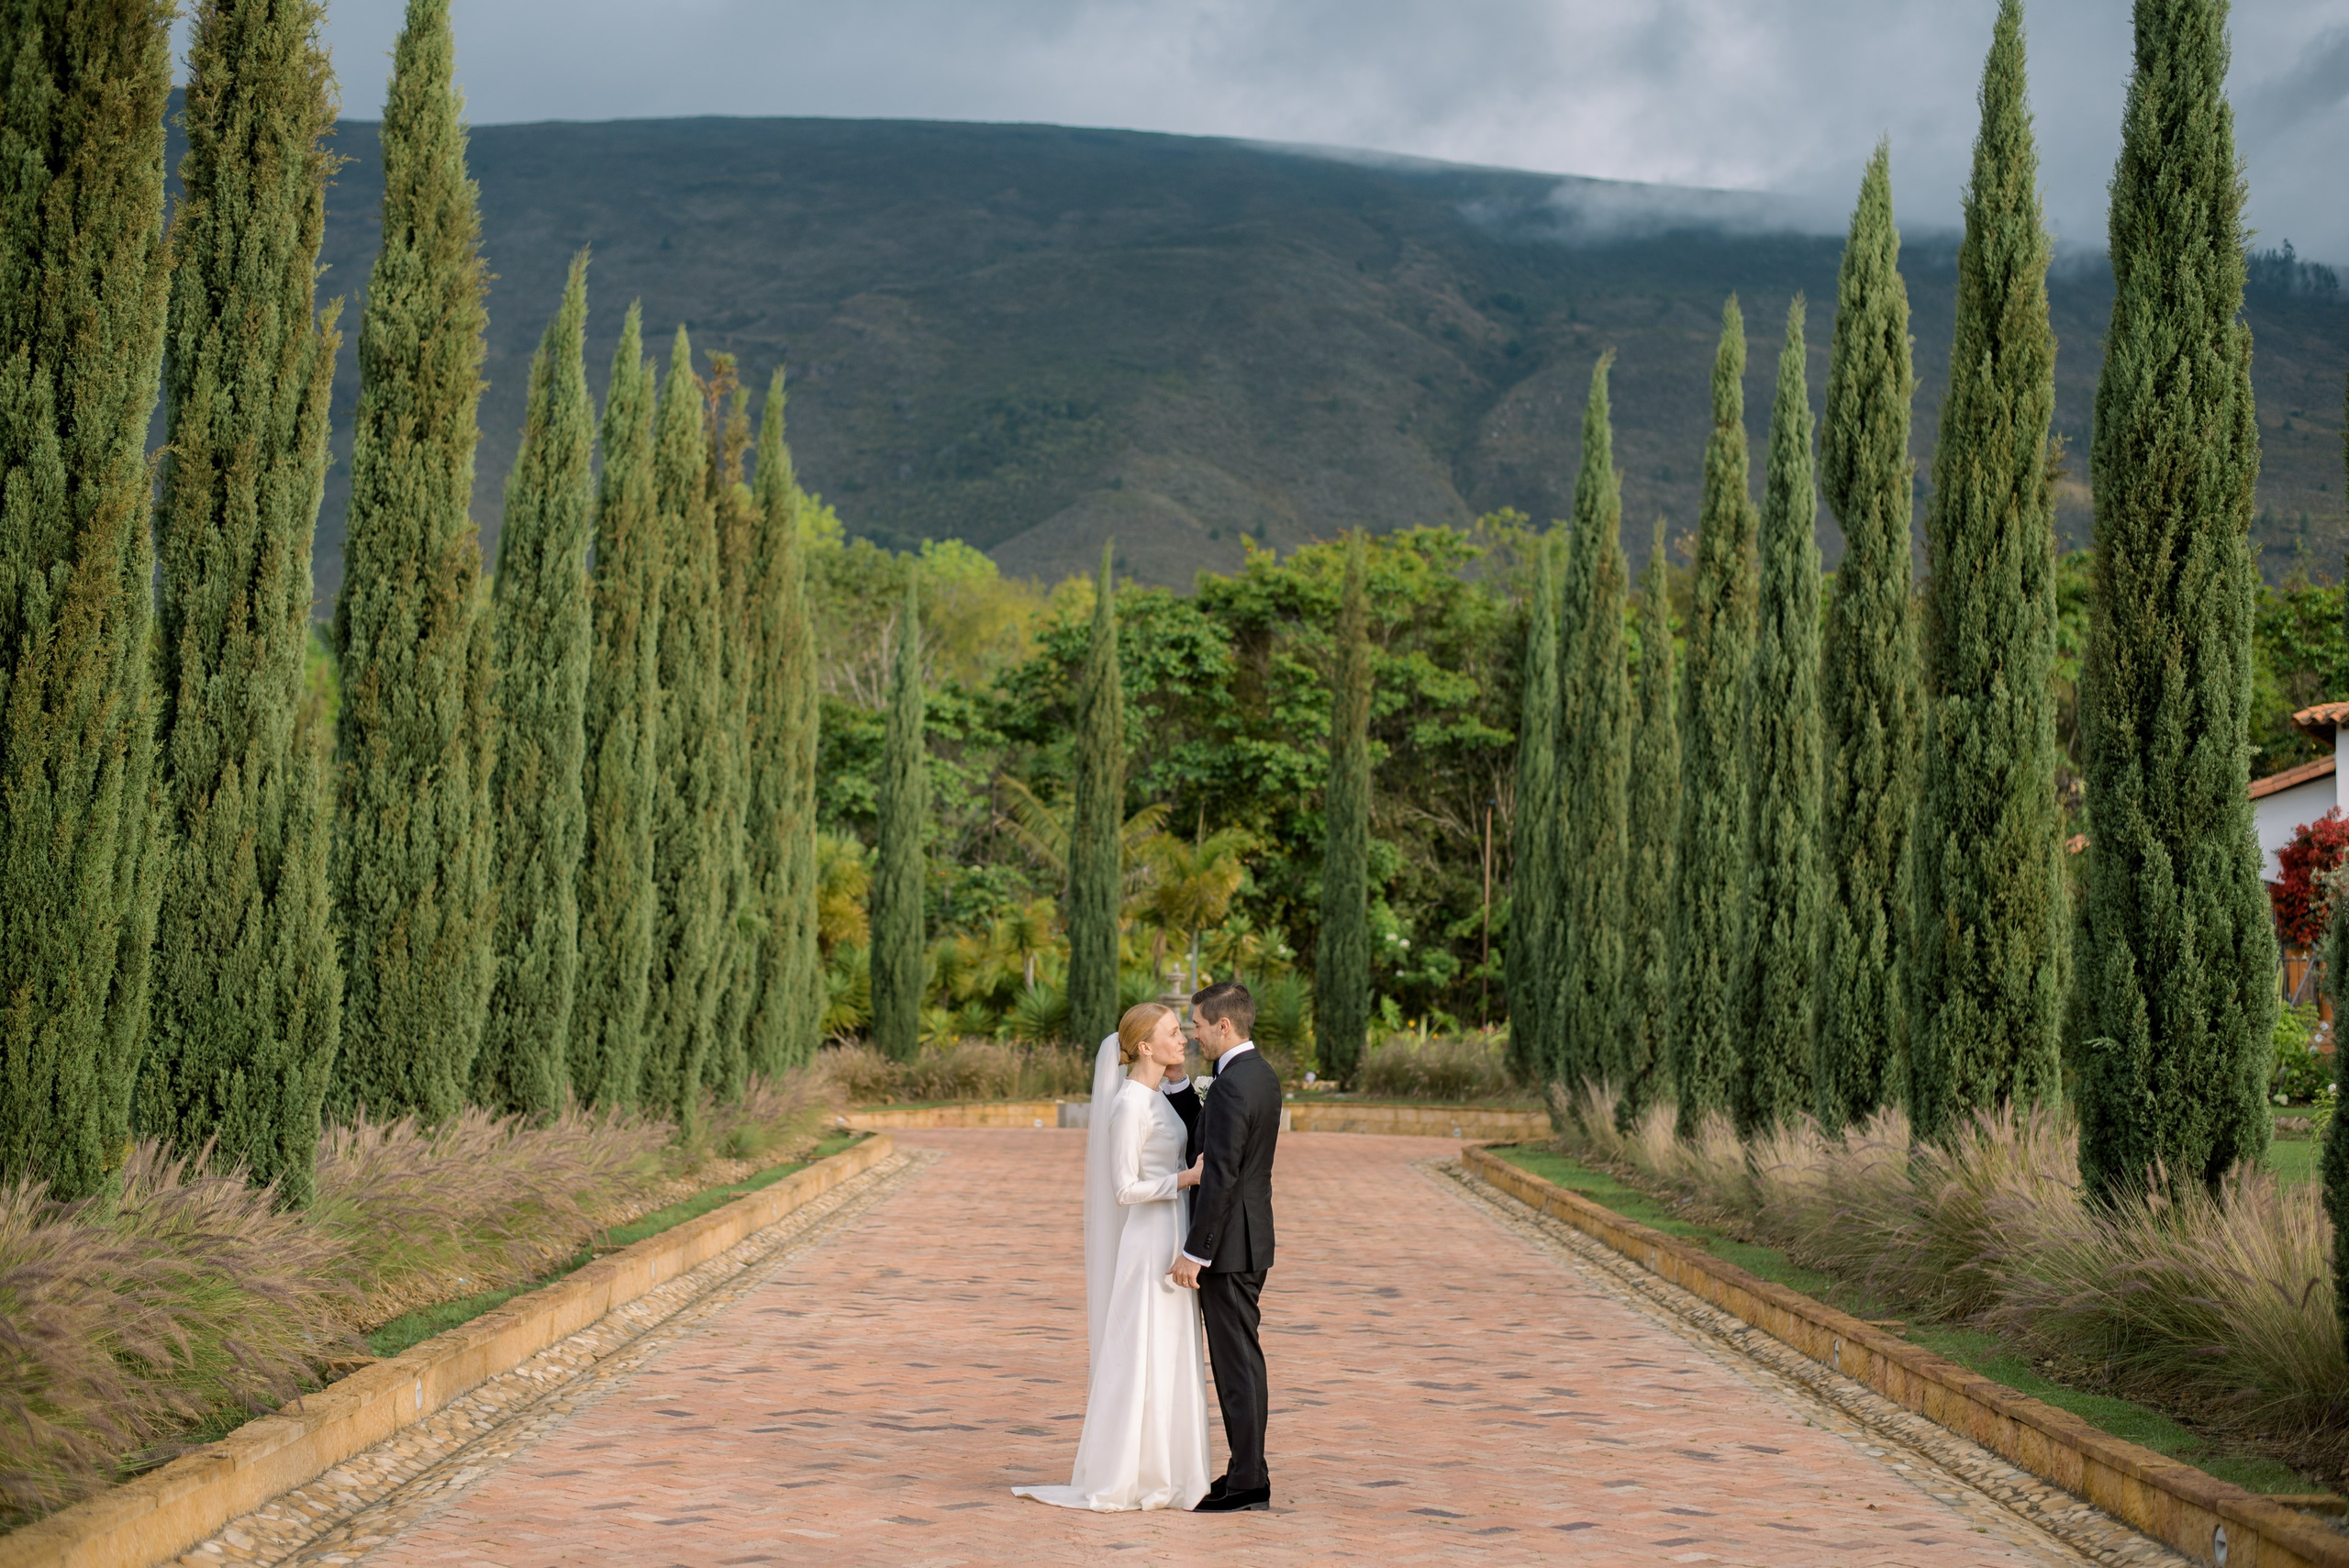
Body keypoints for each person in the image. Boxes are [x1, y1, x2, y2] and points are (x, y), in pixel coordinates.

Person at [1013, 1003, 1211, 1511]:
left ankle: (1168, 1471)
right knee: (1142, 1350)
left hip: (1174, 1232)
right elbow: (1124, 1189)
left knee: (1168, 1351)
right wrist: (1185, 1179)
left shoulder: (1157, 1097)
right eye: (1172, 1032)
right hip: (1148, 1243)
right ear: (1144, 1046)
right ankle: (1129, 1472)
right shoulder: (1128, 1105)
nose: (1183, 1037)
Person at [1173, 980, 1280, 1514]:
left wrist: (1196, 1252)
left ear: (1223, 1024)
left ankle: (1248, 1484)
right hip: (1248, 1238)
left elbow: (1221, 1174)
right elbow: (1214, 1140)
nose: (1193, 1035)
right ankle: (1246, 1471)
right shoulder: (1255, 1074)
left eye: (1196, 1024)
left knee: (1237, 1365)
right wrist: (1179, 1089)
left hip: (1230, 1247)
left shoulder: (1235, 1083)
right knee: (1240, 1361)